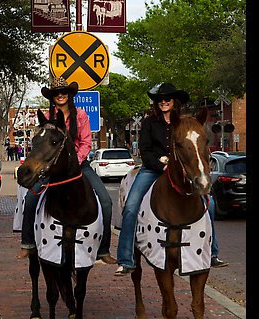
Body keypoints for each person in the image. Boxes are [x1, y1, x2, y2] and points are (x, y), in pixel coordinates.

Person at [115, 82, 227, 276]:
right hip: (153, 170)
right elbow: (146, 151)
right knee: (132, 206)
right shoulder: (149, 122)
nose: (164, 102)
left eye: (167, 98)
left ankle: (212, 253)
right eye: (160, 99)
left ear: (174, 101)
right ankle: (126, 259)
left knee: (211, 204)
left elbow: (193, 148)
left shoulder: (185, 121)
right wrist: (161, 165)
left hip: (180, 171)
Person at [17, 77, 116, 265]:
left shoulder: (80, 115)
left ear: (69, 95)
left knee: (105, 201)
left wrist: (75, 163)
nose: (60, 95)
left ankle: (103, 249)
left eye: (64, 92)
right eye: (56, 93)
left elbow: (86, 143)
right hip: (52, 167)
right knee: (30, 198)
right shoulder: (48, 117)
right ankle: (27, 243)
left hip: (78, 165)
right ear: (52, 97)